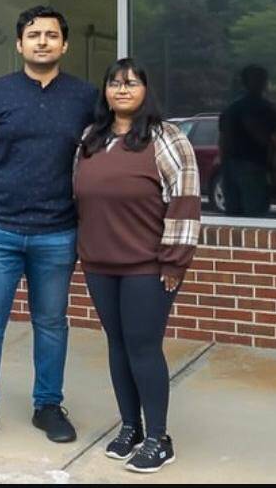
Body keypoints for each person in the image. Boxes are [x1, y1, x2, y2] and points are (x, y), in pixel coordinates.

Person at [0, 6, 97, 447]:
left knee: (51, 323)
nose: (42, 41)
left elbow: (99, 158)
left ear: (64, 44)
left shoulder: (86, 97)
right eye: (33, 35)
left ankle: (48, 405)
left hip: (57, 230)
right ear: (19, 44)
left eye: (51, 35)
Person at [73, 58, 200, 473]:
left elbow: (185, 200)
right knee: (117, 345)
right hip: (99, 263)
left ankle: (159, 438)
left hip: (148, 265)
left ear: (146, 90)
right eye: (114, 83)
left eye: (131, 83)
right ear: (105, 92)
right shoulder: (91, 138)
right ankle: (131, 427)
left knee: (143, 347)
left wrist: (175, 260)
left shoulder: (167, 138)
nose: (122, 90)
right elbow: (79, 197)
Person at [218, 65, 276, 217]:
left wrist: (224, 161)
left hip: (231, 165)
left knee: (234, 216)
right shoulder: (264, 108)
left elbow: (222, 140)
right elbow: (273, 139)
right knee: (255, 216)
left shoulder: (231, 108)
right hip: (253, 165)